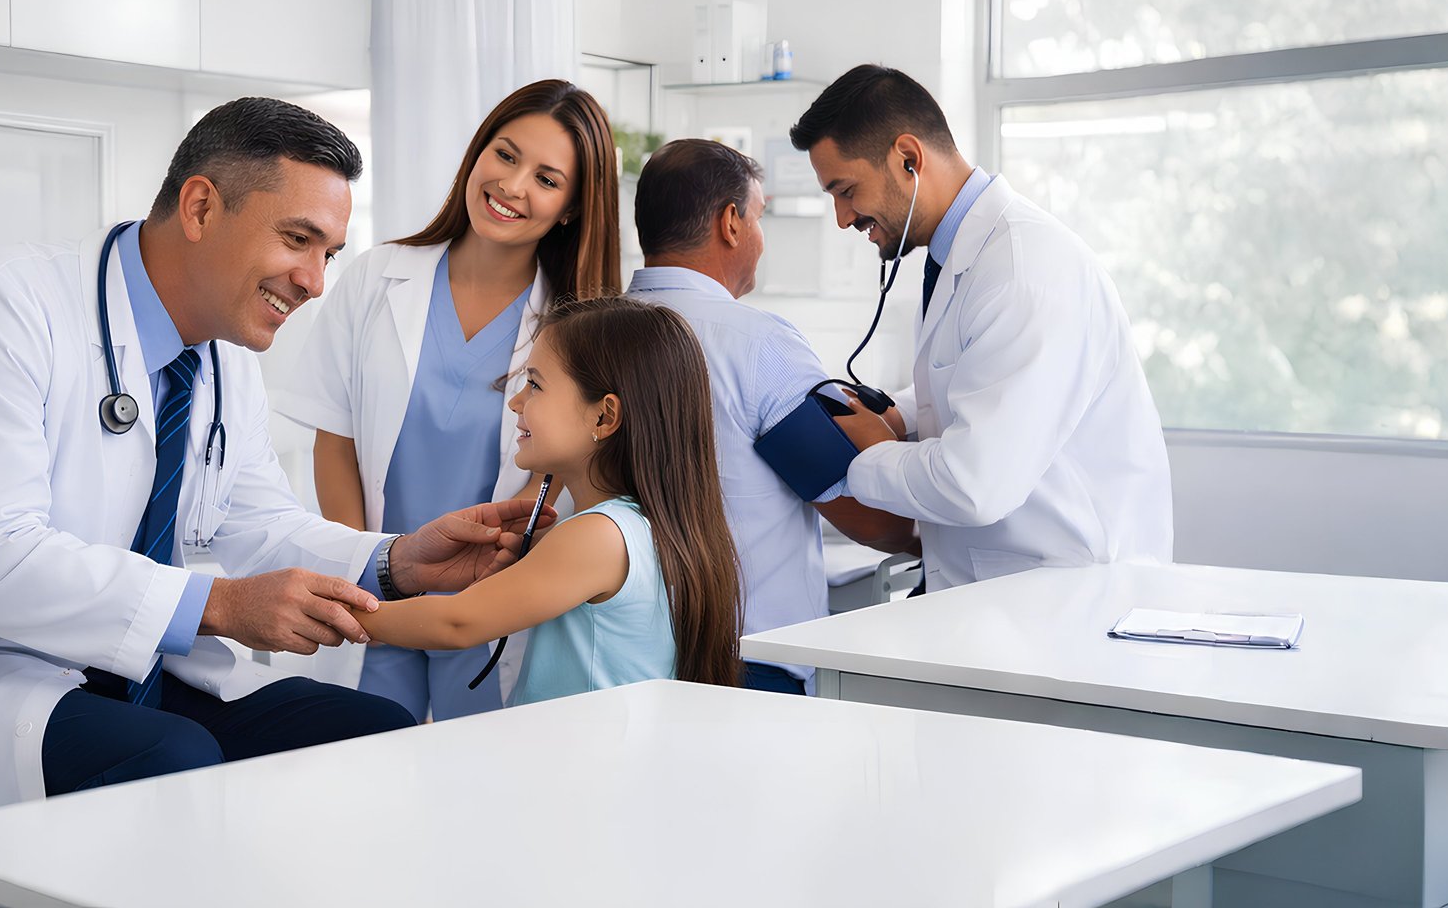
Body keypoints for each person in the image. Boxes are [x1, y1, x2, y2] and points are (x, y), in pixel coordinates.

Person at [0, 98, 550, 862]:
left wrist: (396, 560)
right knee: (169, 766)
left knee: (369, 737)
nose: (316, 282)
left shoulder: (223, 363)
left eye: (329, 254)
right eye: (298, 240)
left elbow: (258, 525)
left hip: (112, 669)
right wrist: (220, 604)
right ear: (200, 206)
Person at [274, 79, 620, 718]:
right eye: (506, 155)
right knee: (364, 767)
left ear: (572, 206)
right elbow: (336, 437)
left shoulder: (578, 324)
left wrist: (491, 564)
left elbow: (563, 467)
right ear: (477, 154)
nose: (512, 186)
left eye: (547, 179)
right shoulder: (377, 277)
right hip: (376, 589)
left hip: (492, 591)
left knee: (474, 787)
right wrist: (367, 569)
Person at [790, 65, 1172, 591]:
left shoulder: (1023, 268)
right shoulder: (959, 257)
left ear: (908, 158)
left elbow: (977, 483)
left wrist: (870, 455)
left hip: (1065, 595)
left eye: (846, 190)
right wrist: (899, 415)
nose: (841, 217)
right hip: (1006, 589)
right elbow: (977, 376)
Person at [626, 138, 917, 695]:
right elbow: (861, 513)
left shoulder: (588, 335)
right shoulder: (756, 344)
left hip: (623, 655)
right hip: (743, 665)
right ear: (731, 223)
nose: (759, 240)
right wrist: (936, 539)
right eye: (758, 219)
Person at [350, 297, 745, 704]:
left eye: (535, 384)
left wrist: (330, 610)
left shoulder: (598, 536)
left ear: (604, 418)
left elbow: (457, 623)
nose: (515, 401)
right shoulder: (642, 526)